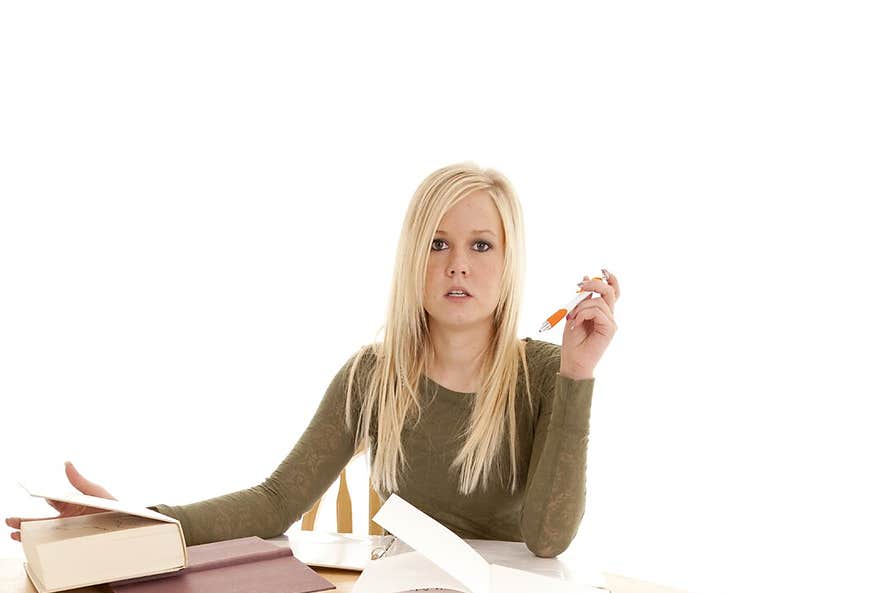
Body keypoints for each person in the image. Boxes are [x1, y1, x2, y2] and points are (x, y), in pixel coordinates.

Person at [6, 162, 619, 558]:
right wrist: (140, 520)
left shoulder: (546, 374)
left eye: (480, 244)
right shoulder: (372, 377)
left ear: (508, 263)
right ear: (413, 259)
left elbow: (548, 539)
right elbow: (276, 502)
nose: (457, 263)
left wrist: (578, 376)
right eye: (437, 243)